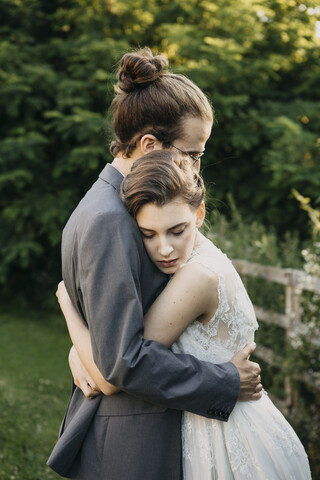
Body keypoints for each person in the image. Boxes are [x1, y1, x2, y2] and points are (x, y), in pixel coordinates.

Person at [47, 48, 262, 480]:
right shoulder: (111, 220)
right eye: (193, 154)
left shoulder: (131, 205)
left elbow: (116, 331)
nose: (195, 168)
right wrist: (223, 381)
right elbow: (121, 362)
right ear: (149, 145)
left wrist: (79, 342)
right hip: (133, 438)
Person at [57, 151, 311, 479]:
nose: (164, 248)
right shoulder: (203, 254)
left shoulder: (195, 277)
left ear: (200, 213)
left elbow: (111, 374)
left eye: (176, 231)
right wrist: (75, 352)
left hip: (228, 438)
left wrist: (67, 306)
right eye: (148, 235)